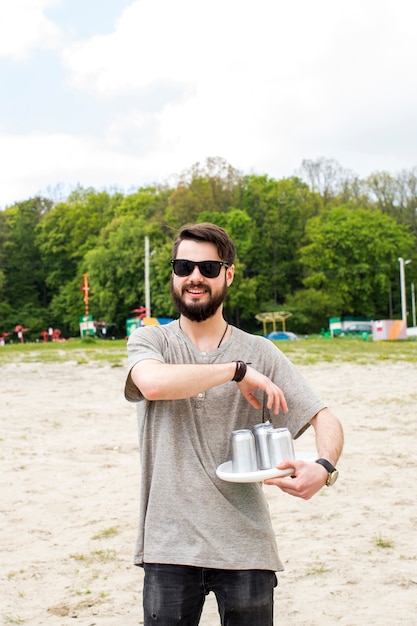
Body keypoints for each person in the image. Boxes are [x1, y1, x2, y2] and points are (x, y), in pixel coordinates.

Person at [124, 222, 343, 626]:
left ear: (229, 274)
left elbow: (324, 417)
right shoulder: (152, 341)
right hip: (168, 547)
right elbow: (152, 384)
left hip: (247, 549)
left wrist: (325, 467)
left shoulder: (261, 351)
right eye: (183, 266)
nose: (194, 277)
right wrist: (237, 372)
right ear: (173, 273)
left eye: (208, 268)